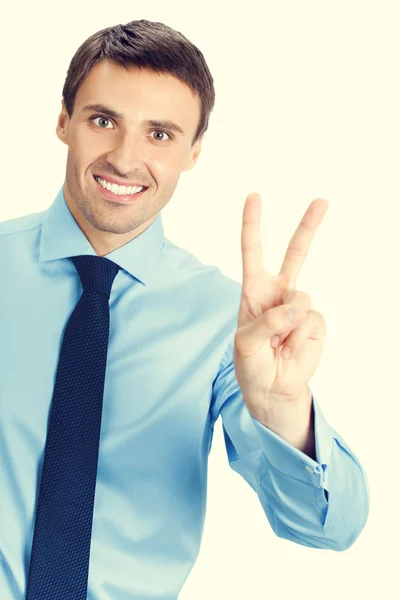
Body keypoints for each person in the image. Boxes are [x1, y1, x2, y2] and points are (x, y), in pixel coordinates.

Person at [0, 19, 369, 600]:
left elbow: (330, 530)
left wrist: (285, 410)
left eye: (160, 135)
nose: (125, 159)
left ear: (194, 152)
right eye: (103, 121)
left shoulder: (228, 321)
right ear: (64, 120)